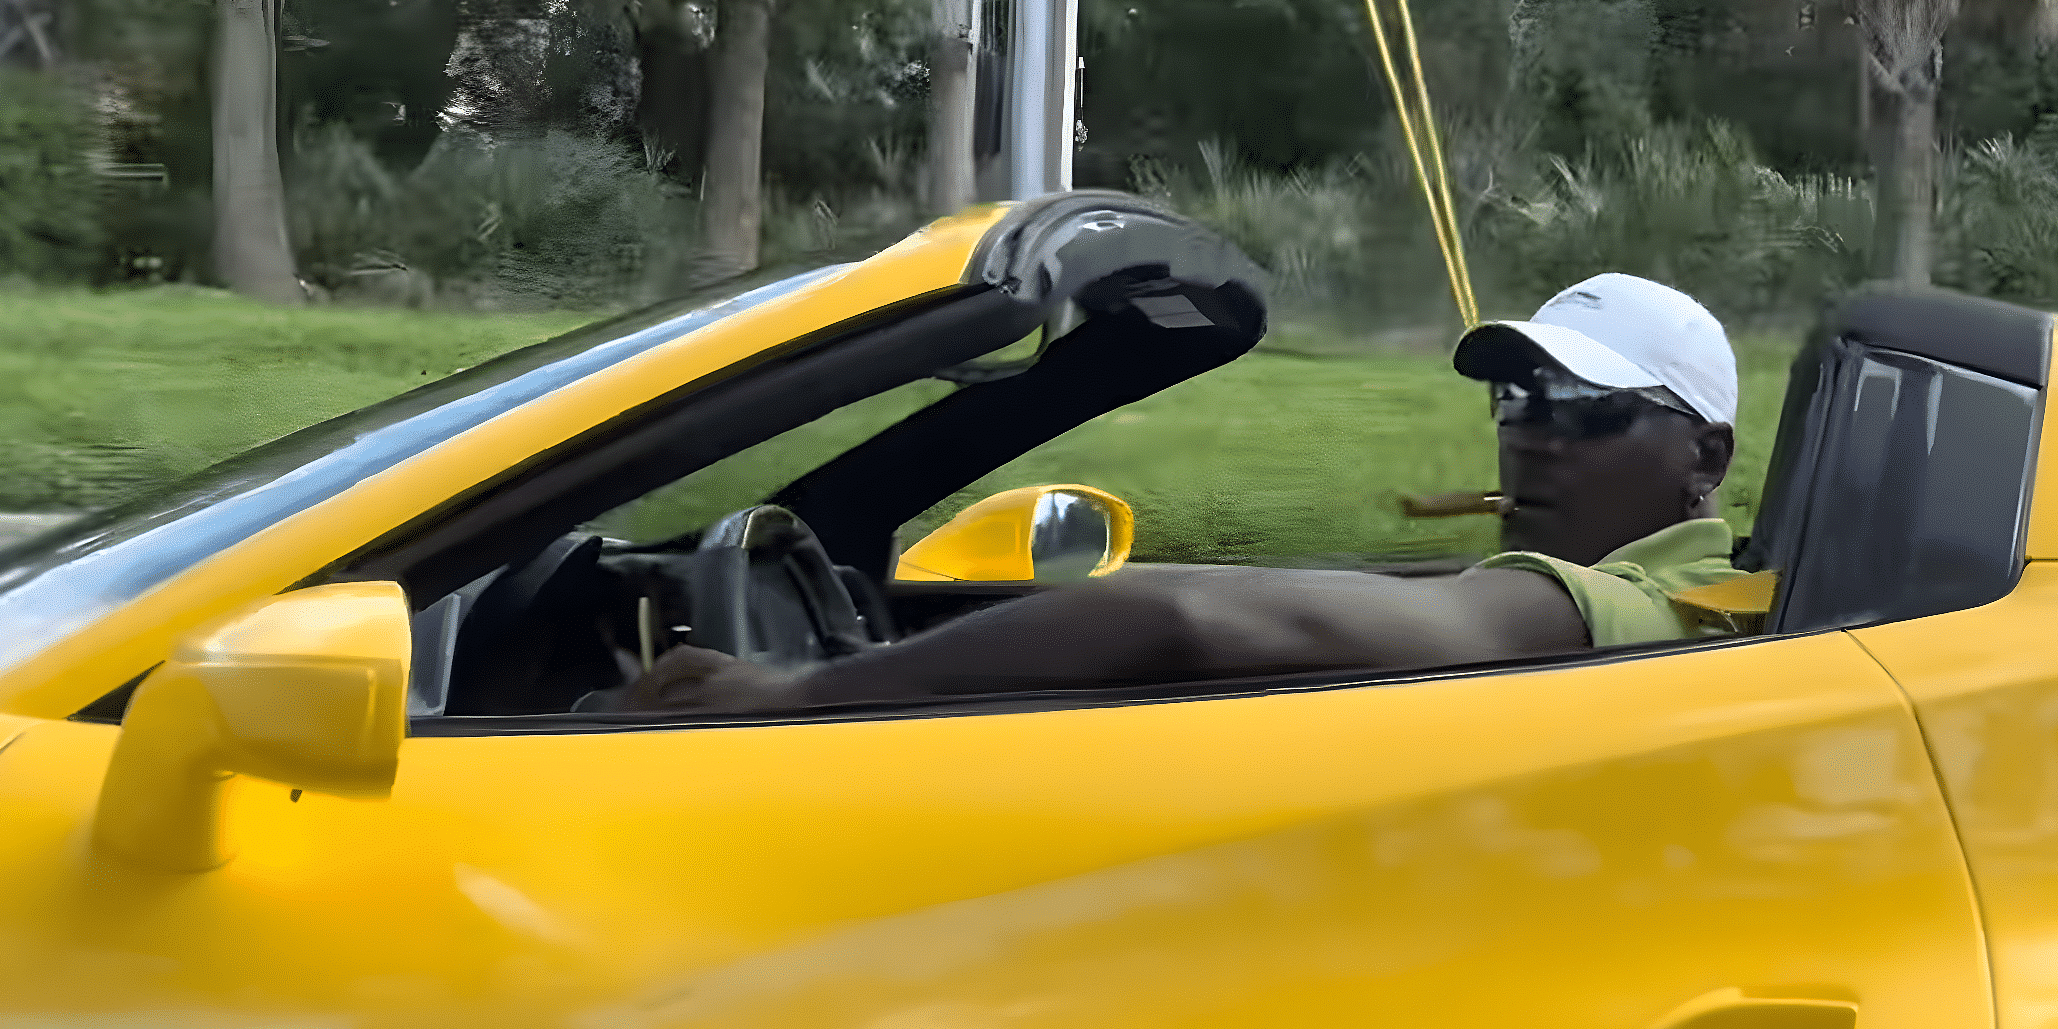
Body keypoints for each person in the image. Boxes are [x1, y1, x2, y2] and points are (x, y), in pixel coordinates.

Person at [627, 273, 1752, 713]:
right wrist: (947, 606)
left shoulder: (1640, 612)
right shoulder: (1643, 574)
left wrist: (798, 693)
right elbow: (1274, 593)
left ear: (1704, 457)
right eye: (1516, 403)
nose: (1535, 443)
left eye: (1586, 410)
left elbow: (1187, 620)